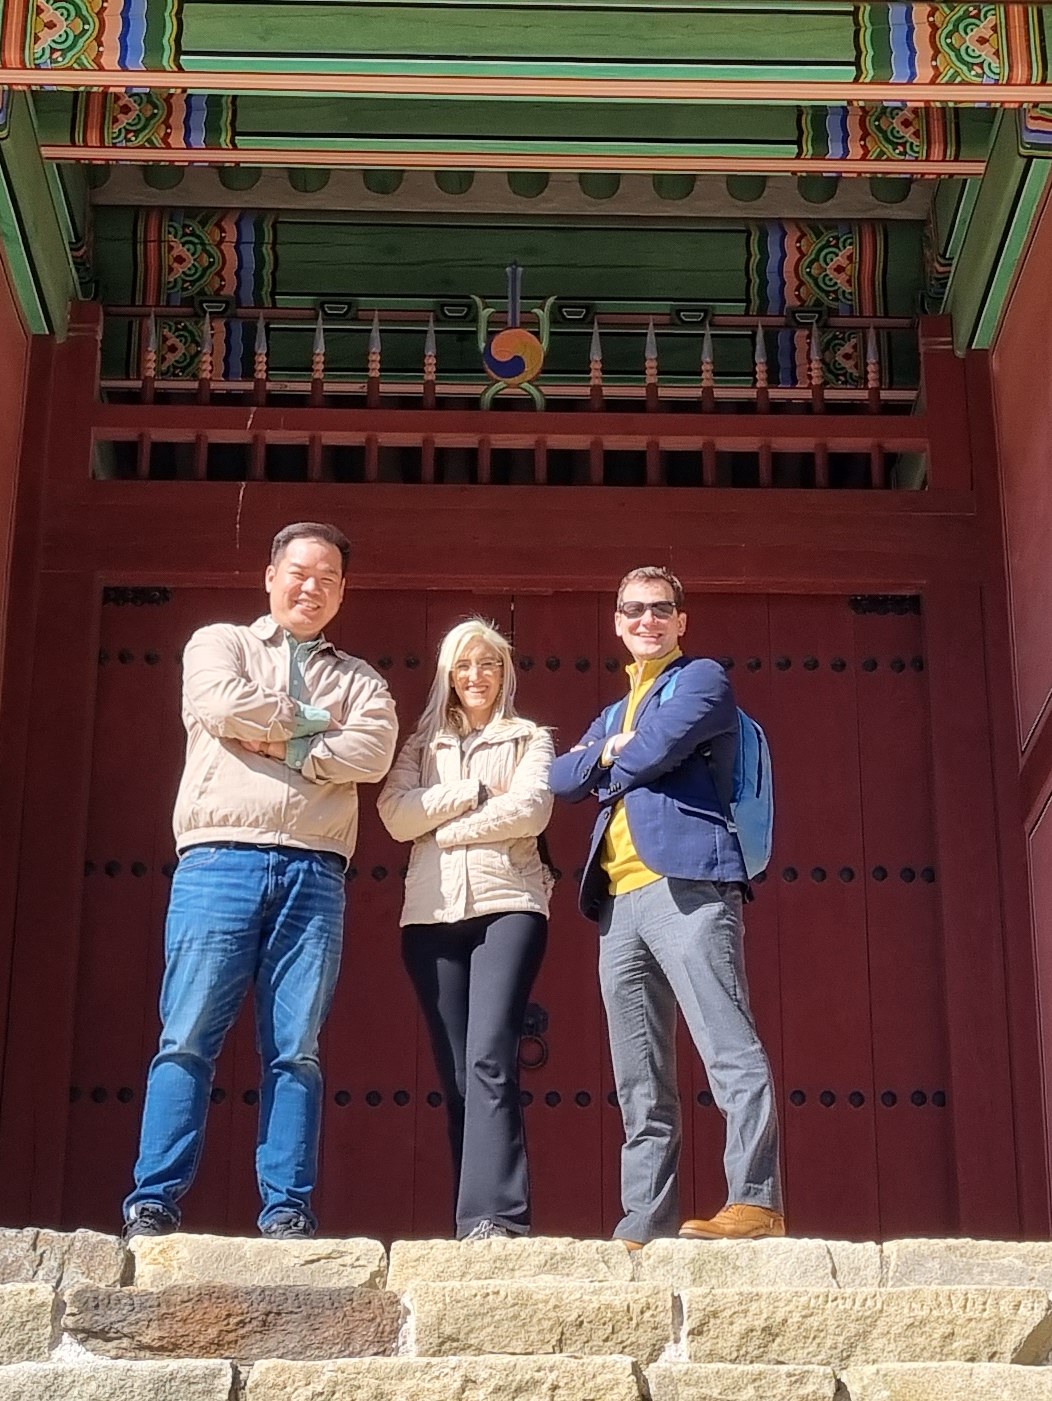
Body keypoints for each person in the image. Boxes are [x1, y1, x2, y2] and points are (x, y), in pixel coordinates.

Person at [124, 521, 397, 1239]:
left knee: (297, 1049)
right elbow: (220, 704)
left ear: (343, 591)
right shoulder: (220, 644)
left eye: (328, 578)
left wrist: (275, 736)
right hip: (220, 859)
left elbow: (369, 753)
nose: (312, 587)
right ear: (271, 576)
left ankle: (286, 1210)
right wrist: (315, 730)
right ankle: (153, 1200)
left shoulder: (361, 679)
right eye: (300, 572)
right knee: (185, 1035)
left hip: (314, 869)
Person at [553, 565, 783, 1241]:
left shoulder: (704, 679)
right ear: (617, 622)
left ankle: (756, 1199)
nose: (646, 620)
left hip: (687, 884)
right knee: (639, 1073)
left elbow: (646, 756)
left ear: (682, 620)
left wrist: (604, 759)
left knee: (726, 1043)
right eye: (633, 610)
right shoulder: (611, 711)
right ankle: (644, 1220)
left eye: (660, 609)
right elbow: (558, 779)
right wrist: (604, 755)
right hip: (619, 902)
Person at [375, 618, 557, 1240]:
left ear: (504, 672)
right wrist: (470, 792)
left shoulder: (531, 738)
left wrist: (445, 828)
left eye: (488, 664)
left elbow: (531, 811)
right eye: (463, 666)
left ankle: (499, 1218)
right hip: (429, 919)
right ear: (447, 677)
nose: (475, 677)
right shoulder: (420, 746)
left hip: (509, 907)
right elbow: (396, 817)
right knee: (457, 1071)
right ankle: (468, 1220)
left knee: (489, 1060)